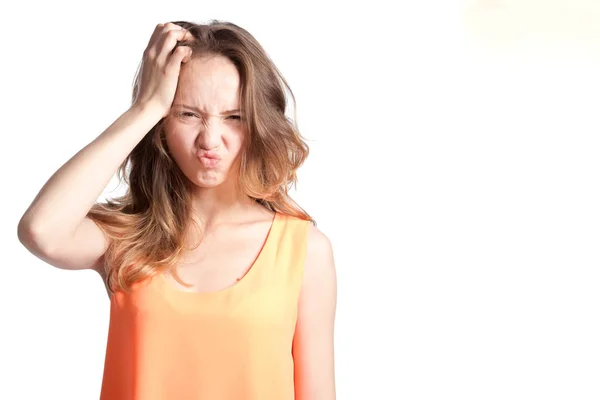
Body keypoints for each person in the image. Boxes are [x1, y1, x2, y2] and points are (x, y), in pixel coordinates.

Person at [17, 20, 337, 399]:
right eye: (188, 114)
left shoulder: (304, 251)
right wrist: (146, 106)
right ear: (162, 124)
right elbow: (41, 231)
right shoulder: (129, 237)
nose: (210, 140)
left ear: (259, 123)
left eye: (233, 117)